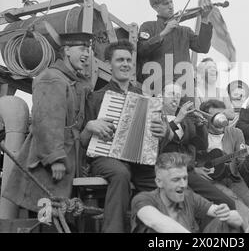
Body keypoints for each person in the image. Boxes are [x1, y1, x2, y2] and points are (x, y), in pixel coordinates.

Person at [3, 33, 97, 212]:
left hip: (69, 159)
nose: (87, 54)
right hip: (50, 165)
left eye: (89, 50)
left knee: (59, 217)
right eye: (82, 49)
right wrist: (55, 159)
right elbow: (46, 123)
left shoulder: (73, 82)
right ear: (67, 51)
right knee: (47, 219)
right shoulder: (51, 78)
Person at [83, 40, 171, 233]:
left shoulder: (146, 98)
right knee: (120, 174)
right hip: (105, 157)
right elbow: (82, 141)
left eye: (129, 60)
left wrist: (163, 132)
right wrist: (90, 127)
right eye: (120, 60)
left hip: (138, 159)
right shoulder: (96, 96)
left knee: (161, 179)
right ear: (108, 64)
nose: (125, 64)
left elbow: (161, 139)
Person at [159, 83, 237, 211]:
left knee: (228, 202)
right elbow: (159, 143)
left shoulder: (186, 121)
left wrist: (200, 127)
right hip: (167, 170)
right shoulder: (156, 117)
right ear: (161, 97)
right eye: (171, 94)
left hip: (188, 170)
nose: (175, 99)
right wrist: (177, 120)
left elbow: (202, 146)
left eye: (178, 96)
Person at [131, 152, 244, 233]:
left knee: (226, 223)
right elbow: (156, 223)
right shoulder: (143, 199)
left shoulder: (189, 197)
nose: (183, 185)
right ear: (159, 182)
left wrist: (227, 215)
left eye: (185, 178)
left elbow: (236, 219)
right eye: (176, 180)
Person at [137, 0, 213, 96]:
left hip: (185, 90)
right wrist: (163, 32)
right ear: (155, 7)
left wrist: (205, 19)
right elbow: (141, 50)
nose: (171, 6)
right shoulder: (148, 26)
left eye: (171, 2)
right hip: (158, 88)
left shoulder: (185, 31)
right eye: (165, 3)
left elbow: (203, 47)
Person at [197, 99, 249, 212]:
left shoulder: (236, 133)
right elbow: (190, 158)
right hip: (209, 179)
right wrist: (197, 169)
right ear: (205, 117)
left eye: (222, 115)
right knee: (237, 204)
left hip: (232, 178)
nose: (220, 120)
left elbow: (241, 163)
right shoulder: (198, 132)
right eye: (215, 116)